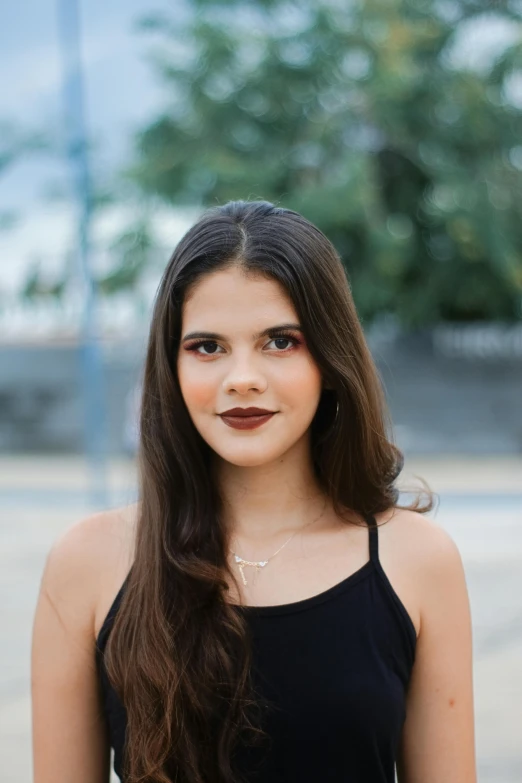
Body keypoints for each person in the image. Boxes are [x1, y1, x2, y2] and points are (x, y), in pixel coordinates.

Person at [31, 200, 476, 783]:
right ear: (172, 367)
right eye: (207, 347)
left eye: (280, 341)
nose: (242, 377)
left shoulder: (417, 561)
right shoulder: (88, 562)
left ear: (330, 357)